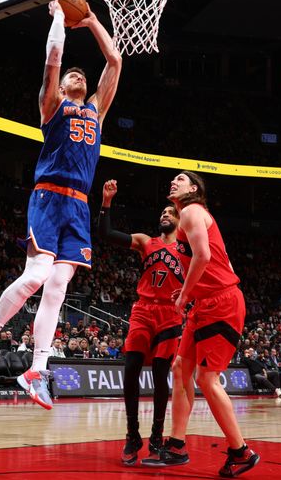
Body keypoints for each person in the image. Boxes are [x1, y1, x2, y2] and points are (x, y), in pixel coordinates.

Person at [0, 0, 121, 411]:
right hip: (49, 197)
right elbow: (54, 56)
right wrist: (57, 18)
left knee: (57, 287)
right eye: (73, 74)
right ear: (62, 86)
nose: (77, 75)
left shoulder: (96, 113)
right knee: (35, 276)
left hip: (79, 208)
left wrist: (90, 20)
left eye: (81, 74)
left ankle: (36, 370)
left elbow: (115, 61)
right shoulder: (53, 106)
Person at [144, 172, 259, 477]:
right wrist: (192, 291)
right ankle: (177, 446)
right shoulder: (187, 218)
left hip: (221, 303)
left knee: (206, 378)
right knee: (181, 368)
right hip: (207, 303)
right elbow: (225, 262)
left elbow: (204, 256)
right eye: (172, 179)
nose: (174, 181)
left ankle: (240, 451)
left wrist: (184, 294)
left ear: (194, 189)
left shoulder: (193, 211)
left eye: (181, 179)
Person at [98, 178, 183, 465]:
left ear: (181, 221)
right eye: (163, 212)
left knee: (161, 373)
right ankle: (132, 435)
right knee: (131, 367)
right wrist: (107, 202)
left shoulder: (188, 250)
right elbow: (107, 233)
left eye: (170, 213)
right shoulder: (147, 242)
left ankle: (157, 438)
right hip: (143, 310)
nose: (165, 215)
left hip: (171, 313)